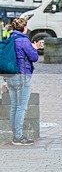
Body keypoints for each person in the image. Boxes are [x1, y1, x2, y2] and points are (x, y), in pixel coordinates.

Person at [7, 17, 40, 146]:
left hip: (10, 76)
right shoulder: (23, 40)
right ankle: (18, 137)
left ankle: (15, 134)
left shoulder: (10, 39)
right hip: (22, 76)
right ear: (24, 28)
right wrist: (35, 48)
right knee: (21, 107)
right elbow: (34, 57)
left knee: (14, 106)